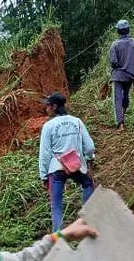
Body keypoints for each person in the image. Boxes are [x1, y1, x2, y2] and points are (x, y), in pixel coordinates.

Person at [38, 92, 96, 232]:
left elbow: (45, 153)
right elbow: (89, 147)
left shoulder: (48, 126)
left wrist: (44, 175)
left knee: (56, 206)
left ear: (54, 107)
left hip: (56, 168)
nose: (46, 109)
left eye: (48, 106)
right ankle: (86, 220)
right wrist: (89, 159)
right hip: (76, 165)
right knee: (88, 184)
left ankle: (58, 239)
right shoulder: (77, 122)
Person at [108, 18, 134, 130]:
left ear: (118, 31)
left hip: (118, 75)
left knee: (117, 98)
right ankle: (124, 112)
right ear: (128, 30)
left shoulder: (114, 44)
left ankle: (120, 123)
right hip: (130, 75)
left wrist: (118, 66)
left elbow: (113, 61)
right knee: (125, 95)